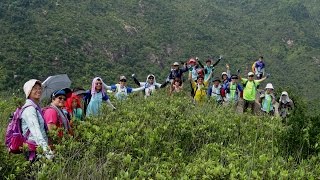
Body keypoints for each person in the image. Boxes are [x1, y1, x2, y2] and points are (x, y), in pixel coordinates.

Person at [21, 79, 53, 161]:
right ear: (29, 91)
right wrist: (48, 154)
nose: (38, 91)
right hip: (34, 150)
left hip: (38, 148)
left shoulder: (36, 107)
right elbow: (36, 133)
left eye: (39, 88)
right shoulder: (30, 109)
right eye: (35, 88)